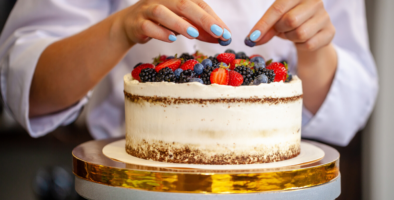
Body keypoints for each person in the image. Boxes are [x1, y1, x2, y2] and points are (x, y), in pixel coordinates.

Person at [0, 0, 377, 146]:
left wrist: (313, 50)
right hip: (137, 187)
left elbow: (345, 109)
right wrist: (121, 28)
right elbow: (30, 86)